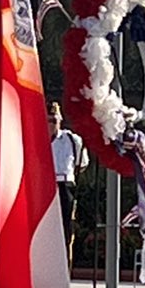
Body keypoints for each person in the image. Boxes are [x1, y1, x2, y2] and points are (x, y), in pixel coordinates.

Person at [48, 101, 86, 269]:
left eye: (54, 120)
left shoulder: (71, 140)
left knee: (65, 230)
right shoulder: (34, 136)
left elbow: (81, 164)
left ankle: (64, 268)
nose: (51, 124)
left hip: (64, 186)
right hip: (44, 187)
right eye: (48, 120)